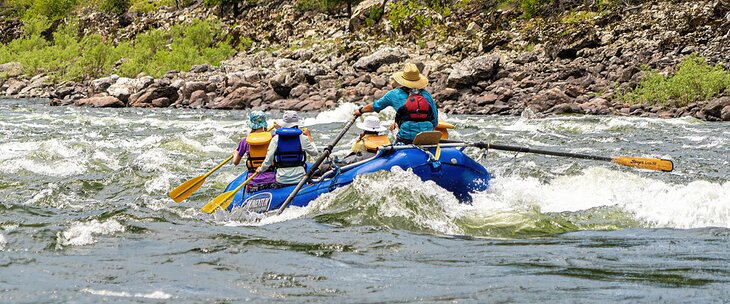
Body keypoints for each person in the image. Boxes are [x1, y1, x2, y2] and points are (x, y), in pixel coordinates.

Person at [353, 63, 438, 144]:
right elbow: (435, 121)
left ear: (403, 80)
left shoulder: (394, 94)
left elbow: (375, 106)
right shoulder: (427, 95)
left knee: (393, 128)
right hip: (427, 137)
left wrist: (360, 111)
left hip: (406, 139)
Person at [256, 111, 318, 186]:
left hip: (282, 179)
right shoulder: (303, 138)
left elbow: (268, 160)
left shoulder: (276, 139)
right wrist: (309, 136)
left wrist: (261, 169)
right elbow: (315, 153)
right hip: (300, 179)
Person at [233, 111, 276, 192]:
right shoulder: (274, 138)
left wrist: (235, 153)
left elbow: (235, 162)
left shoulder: (245, 141)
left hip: (253, 183)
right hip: (272, 181)